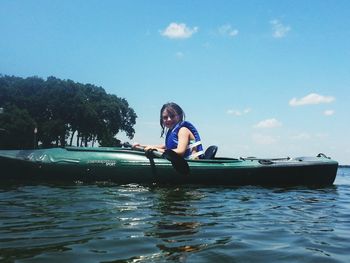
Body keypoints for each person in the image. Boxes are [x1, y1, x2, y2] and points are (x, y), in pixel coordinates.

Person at [133, 102, 204, 159]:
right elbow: (164, 147)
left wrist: (155, 150)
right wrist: (141, 146)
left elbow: (180, 151)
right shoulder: (172, 132)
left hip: (189, 165)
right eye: (165, 117)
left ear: (179, 116)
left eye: (172, 116)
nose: (169, 119)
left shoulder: (183, 130)